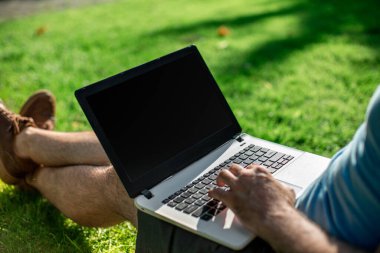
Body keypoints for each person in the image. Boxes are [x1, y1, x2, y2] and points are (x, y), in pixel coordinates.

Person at [0, 88, 379, 253]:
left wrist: (276, 215)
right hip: (308, 193)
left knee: (127, 184)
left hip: (273, 240)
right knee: (156, 153)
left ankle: (24, 163)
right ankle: (23, 146)